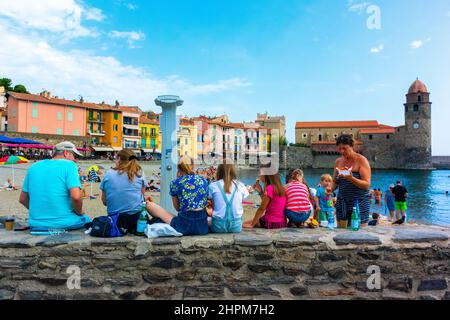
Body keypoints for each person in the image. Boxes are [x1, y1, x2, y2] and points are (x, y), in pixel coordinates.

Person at [19, 141, 91, 231]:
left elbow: (22, 199)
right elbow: (76, 197)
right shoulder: (70, 165)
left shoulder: (33, 167)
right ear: (66, 153)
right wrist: (80, 212)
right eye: (74, 156)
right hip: (62, 223)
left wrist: (42, 213)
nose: (75, 160)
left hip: (36, 224)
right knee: (88, 220)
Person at [146, 156, 209, 236]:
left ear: (178, 168)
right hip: (202, 227)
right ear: (193, 166)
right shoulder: (203, 180)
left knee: (149, 205)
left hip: (183, 226)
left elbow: (177, 208)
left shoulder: (175, 182)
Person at [100, 149, 147, 235]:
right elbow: (143, 199)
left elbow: (104, 202)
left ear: (118, 158)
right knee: (148, 204)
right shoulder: (140, 173)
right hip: (136, 220)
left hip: (115, 220)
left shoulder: (108, 174)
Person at [332, 134, 371, 228]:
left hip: (359, 203)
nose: (342, 151)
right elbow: (335, 181)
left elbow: (366, 184)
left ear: (351, 146)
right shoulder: (338, 161)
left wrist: (351, 178)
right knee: (341, 232)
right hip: (342, 203)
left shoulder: (361, 160)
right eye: (340, 148)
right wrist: (329, 189)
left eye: (344, 148)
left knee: (359, 235)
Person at [207, 164, 249, 233]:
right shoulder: (241, 186)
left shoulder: (213, 186)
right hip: (236, 227)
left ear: (219, 172)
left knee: (207, 219)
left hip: (218, 227)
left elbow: (214, 207)